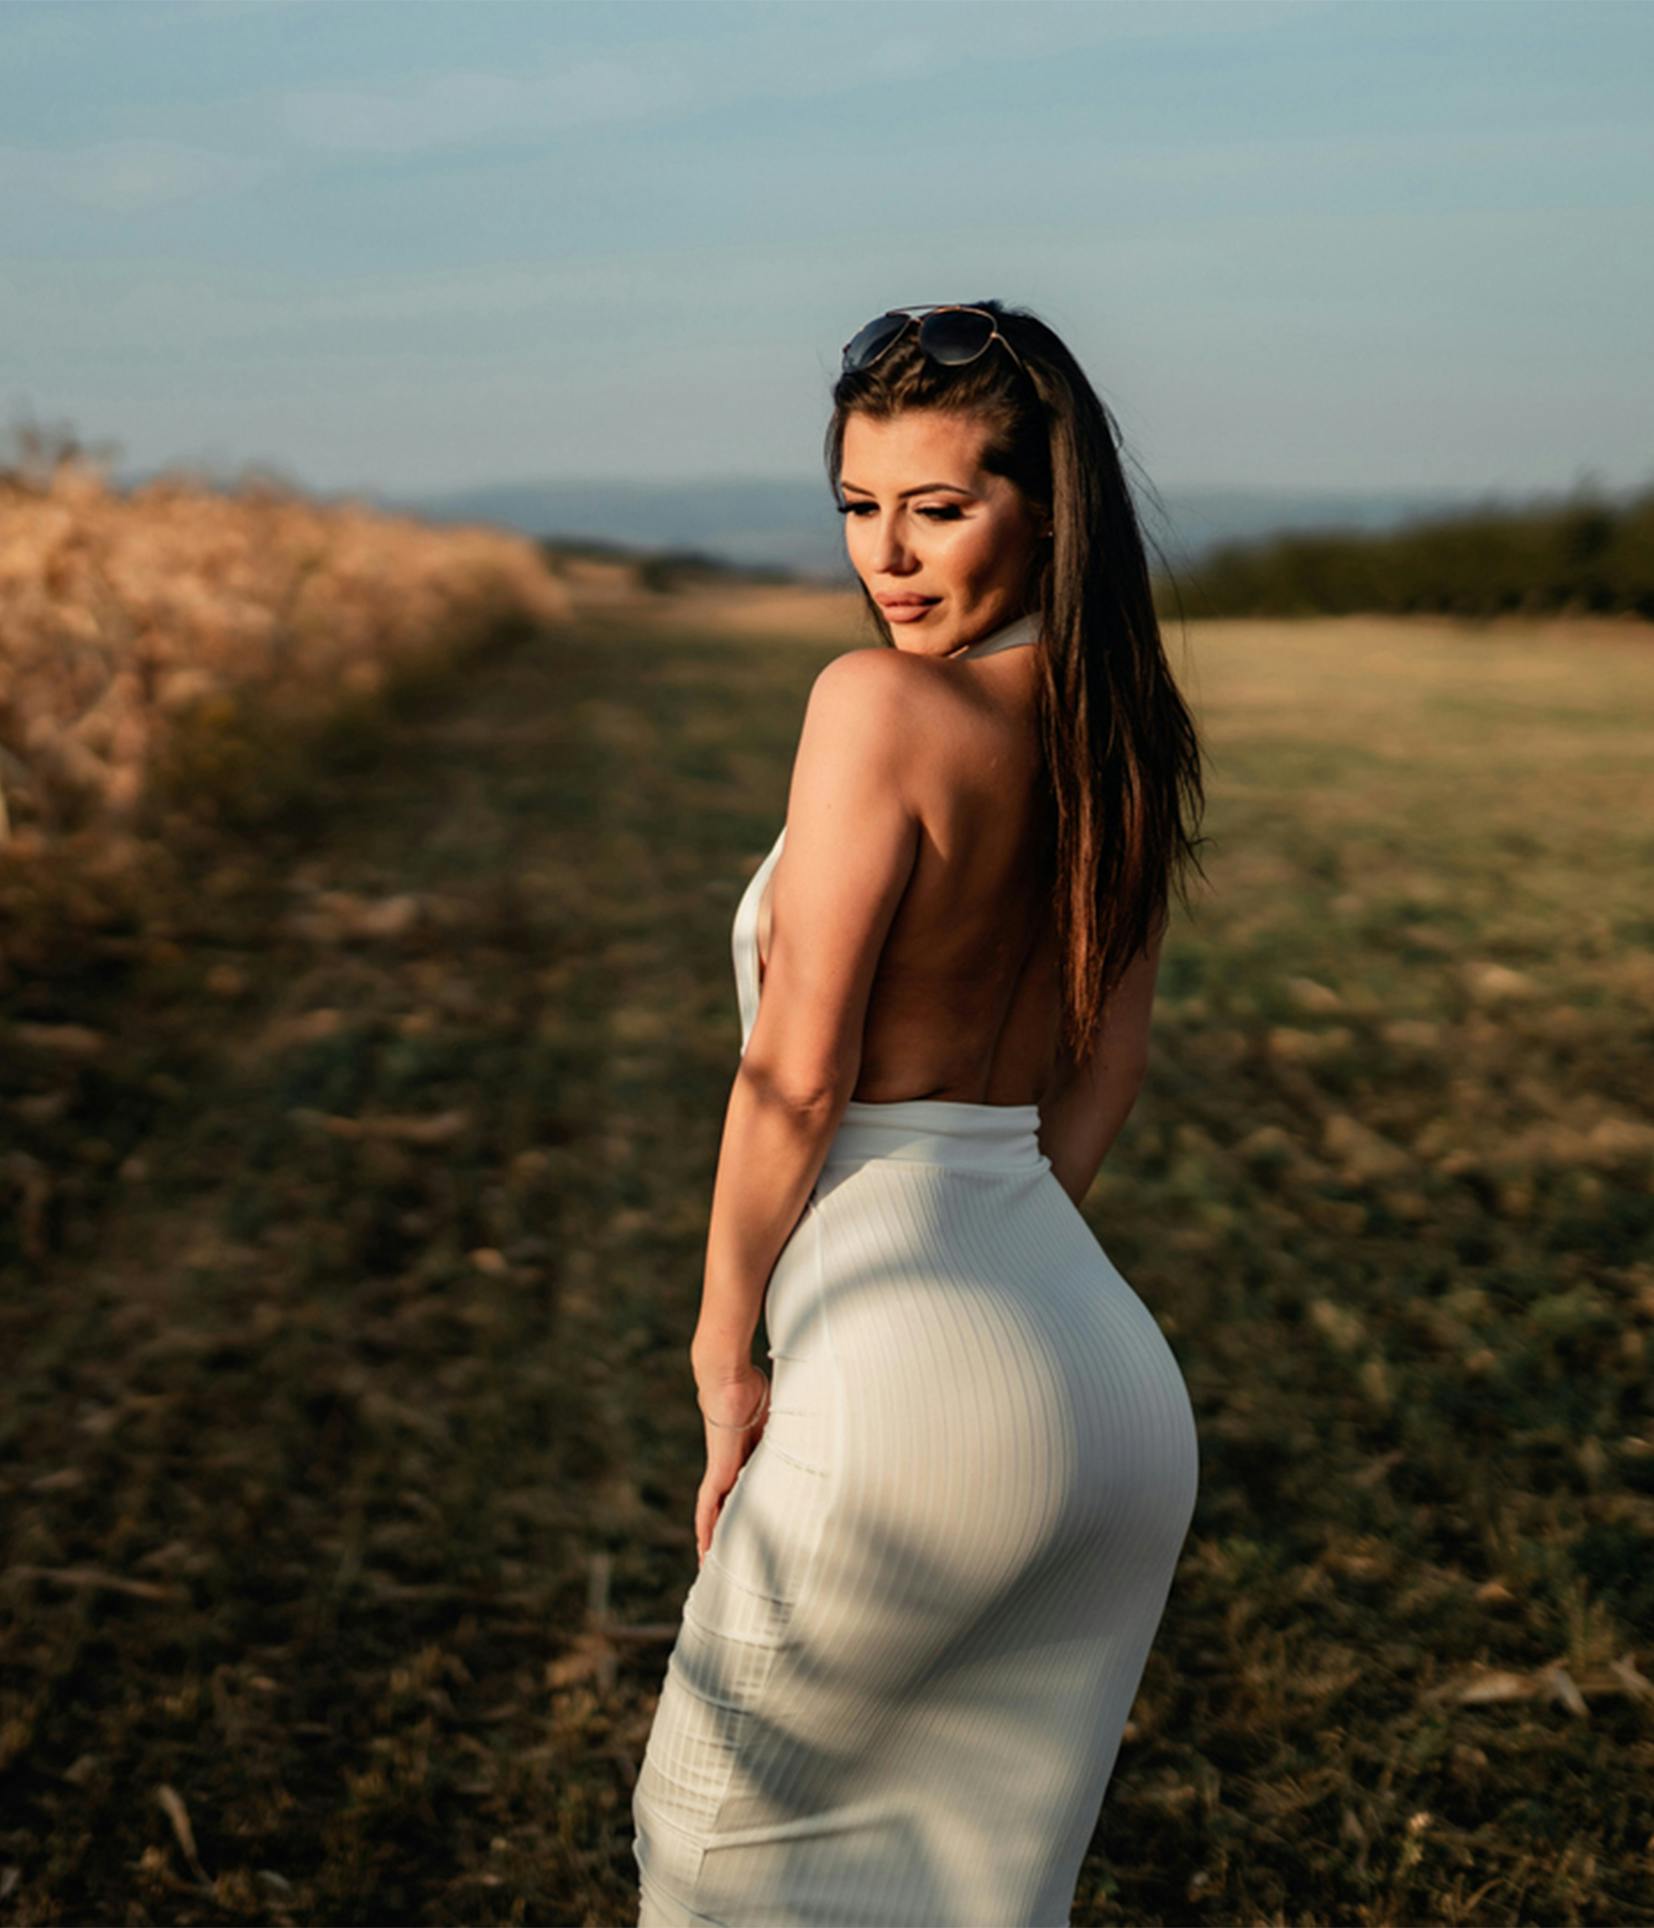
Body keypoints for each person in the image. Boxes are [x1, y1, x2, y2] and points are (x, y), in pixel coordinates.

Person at [631, 300, 1208, 1927]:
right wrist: (1010, 1274)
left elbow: (793, 1076)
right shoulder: (1126, 746)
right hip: (1103, 1377)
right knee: (972, 1892)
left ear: (1048, 507)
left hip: (903, 1364)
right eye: (859, 508)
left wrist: (721, 1351)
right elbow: (1102, 1068)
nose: (888, 558)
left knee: (708, 1861)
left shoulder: (874, 709)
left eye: (939, 508)